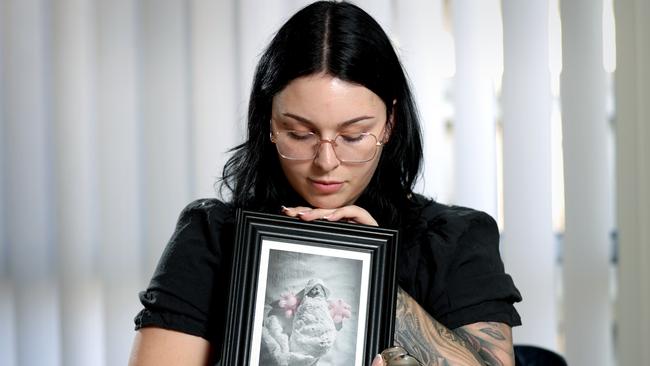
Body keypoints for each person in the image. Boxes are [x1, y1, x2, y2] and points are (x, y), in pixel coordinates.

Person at [128, 1, 522, 366]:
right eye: (300, 134)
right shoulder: (213, 235)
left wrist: (374, 274)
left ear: (390, 123)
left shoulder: (457, 238)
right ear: (269, 124)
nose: (326, 163)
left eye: (353, 136)